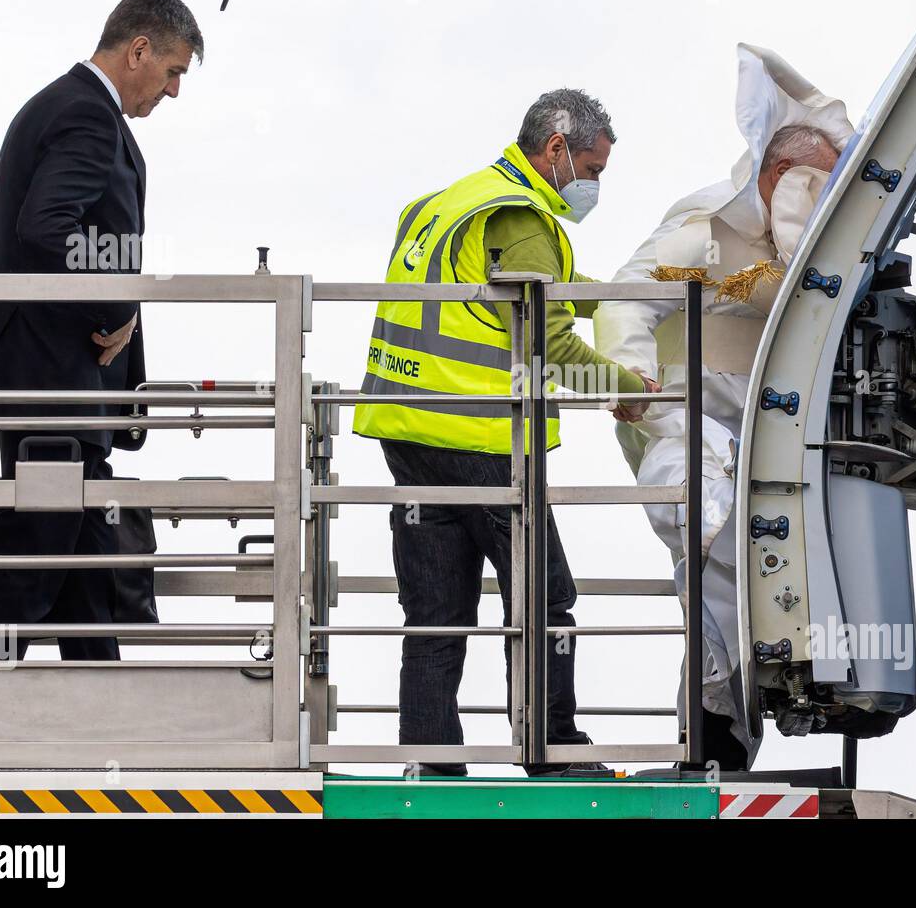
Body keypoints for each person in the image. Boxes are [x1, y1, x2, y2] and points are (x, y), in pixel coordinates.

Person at [353, 89, 655, 777]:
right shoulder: (520, 216)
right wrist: (624, 392)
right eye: (593, 169)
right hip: (478, 438)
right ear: (555, 149)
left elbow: (545, 287)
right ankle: (552, 751)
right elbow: (547, 346)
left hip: (408, 432)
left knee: (436, 612)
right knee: (544, 600)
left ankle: (433, 761)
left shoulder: (448, 202)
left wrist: (626, 299)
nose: (592, 185)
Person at [593, 45, 852, 770]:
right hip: (679, 420)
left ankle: (717, 740)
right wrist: (632, 380)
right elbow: (627, 297)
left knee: (748, 581)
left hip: (759, 441)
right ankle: (712, 737)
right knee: (707, 540)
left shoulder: (805, 257)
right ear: (778, 174)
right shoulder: (708, 226)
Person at [0, 0, 204, 660]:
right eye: (173, 70)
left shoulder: (65, 107)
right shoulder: (86, 117)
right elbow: (45, 228)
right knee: (32, 566)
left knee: (83, 573)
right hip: (55, 382)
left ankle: (96, 729)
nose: (174, 90)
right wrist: (115, 311)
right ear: (138, 50)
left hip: (55, 383)